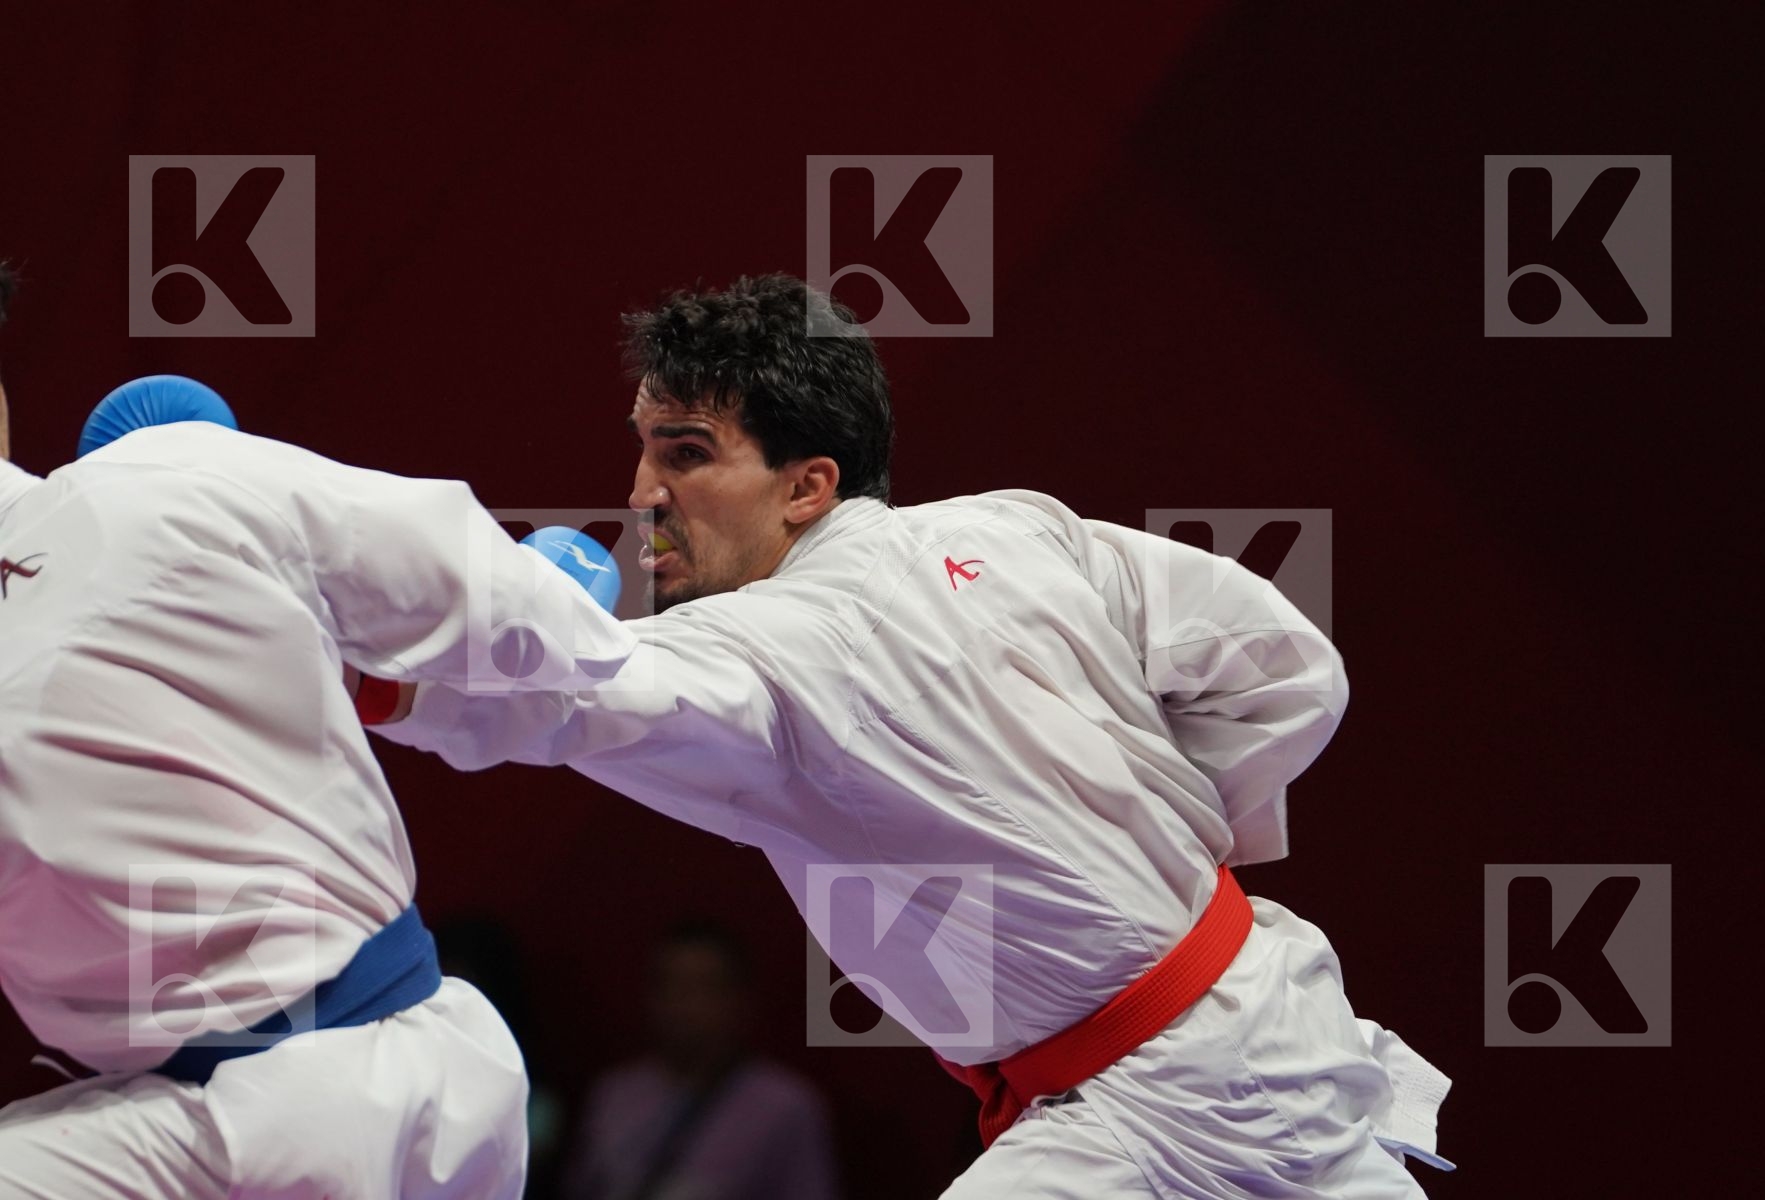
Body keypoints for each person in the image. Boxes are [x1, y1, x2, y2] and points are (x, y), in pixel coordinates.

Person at [368, 273, 1454, 1198]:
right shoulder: (1017, 528)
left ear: (807, 486)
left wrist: (374, 671)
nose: (643, 492)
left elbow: (572, 693)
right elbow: (1288, 672)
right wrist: (1162, 844)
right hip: (1268, 1023)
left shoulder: (777, 643)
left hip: (1163, 1106)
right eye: (646, 451)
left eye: (687, 454)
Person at [0, 261, 612, 1196]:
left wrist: (538, 627)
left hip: (352, 1077)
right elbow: (518, 610)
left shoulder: (160, 475)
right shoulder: (168, 473)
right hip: (235, 1110)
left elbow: (525, 616)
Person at [561, 920, 839, 1200]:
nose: (685, 1004)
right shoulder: (613, 1094)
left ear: (739, 999)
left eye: (705, 987)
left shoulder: (785, 1108)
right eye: (672, 986)